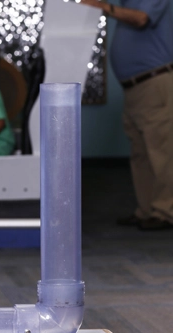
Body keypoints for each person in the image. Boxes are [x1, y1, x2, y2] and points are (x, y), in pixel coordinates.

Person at [78, 0, 173, 230]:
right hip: (135, 86)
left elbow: (141, 19)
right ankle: (146, 210)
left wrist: (103, 7)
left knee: (161, 152)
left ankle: (165, 211)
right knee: (141, 152)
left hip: (154, 82)